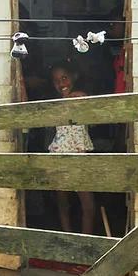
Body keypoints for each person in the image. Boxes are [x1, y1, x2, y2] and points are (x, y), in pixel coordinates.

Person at [49, 64, 96, 235]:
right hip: (59, 155)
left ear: (74, 76)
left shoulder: (81, 96)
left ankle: (85, 240)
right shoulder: (54, 103)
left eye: (64, 78)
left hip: (79, 156)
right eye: (56, 81)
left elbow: (85, 99)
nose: (61, 83)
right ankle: (68, 235)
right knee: (63, 202)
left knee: (88, 204)